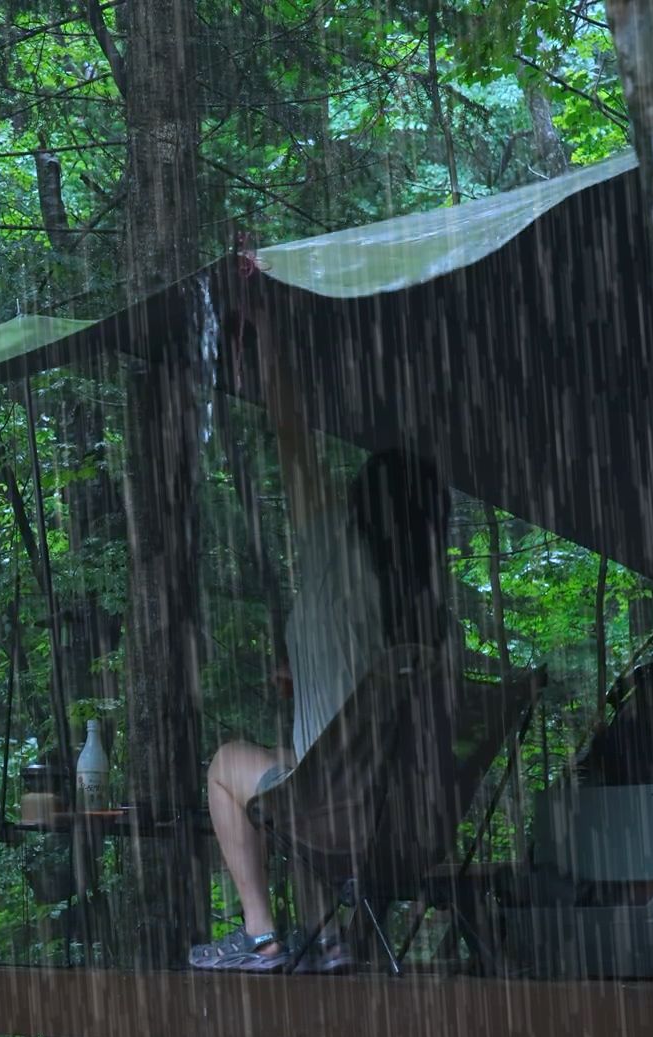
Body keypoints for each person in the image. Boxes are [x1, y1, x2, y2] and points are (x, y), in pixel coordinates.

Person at [190, 359, 456, 972]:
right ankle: (334, 940)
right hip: (412, 818)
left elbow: (292, 439)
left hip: (340, 808)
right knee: (302, 773)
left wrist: (267, 343)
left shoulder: (336, 561)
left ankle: (260, 935)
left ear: (359, 508)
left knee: (227, 765)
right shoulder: (433, 614)